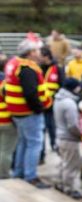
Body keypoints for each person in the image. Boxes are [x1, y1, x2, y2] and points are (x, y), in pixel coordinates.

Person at [5, 39, 51, 188]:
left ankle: (19, 172)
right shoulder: (27, 69)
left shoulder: (14, 63)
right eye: (37, 50)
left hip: (17, 111)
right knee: (34, 144)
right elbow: (31, 93)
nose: (39, 53)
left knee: (24, 142)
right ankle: (30, 176)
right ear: (31, 53)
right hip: (28, 112)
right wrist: (39, 109)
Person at [53, 78, 82, 199]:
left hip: (60, 136)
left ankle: (61, 184)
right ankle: (70, 188)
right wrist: (81, 134)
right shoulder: (69, 103)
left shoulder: (58, 99)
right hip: (69, 138)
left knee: (64, 163)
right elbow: (72, 125)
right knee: (71, 166)